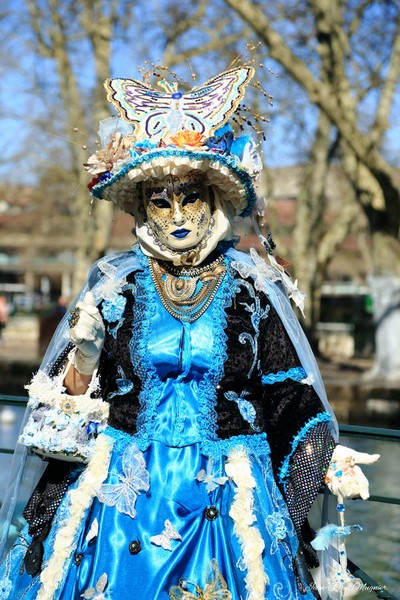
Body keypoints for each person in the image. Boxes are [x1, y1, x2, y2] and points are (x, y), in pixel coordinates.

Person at [0, 66, 379, 600]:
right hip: (120, 497)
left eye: (191, 199)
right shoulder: (117, 288)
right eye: (161, 201)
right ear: (142, 208)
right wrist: (83, 362)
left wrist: (319, 449)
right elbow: (56, 423)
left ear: (216, 201)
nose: (177, 214)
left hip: (225, 502)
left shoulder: (252, 291)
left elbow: (290, 394)